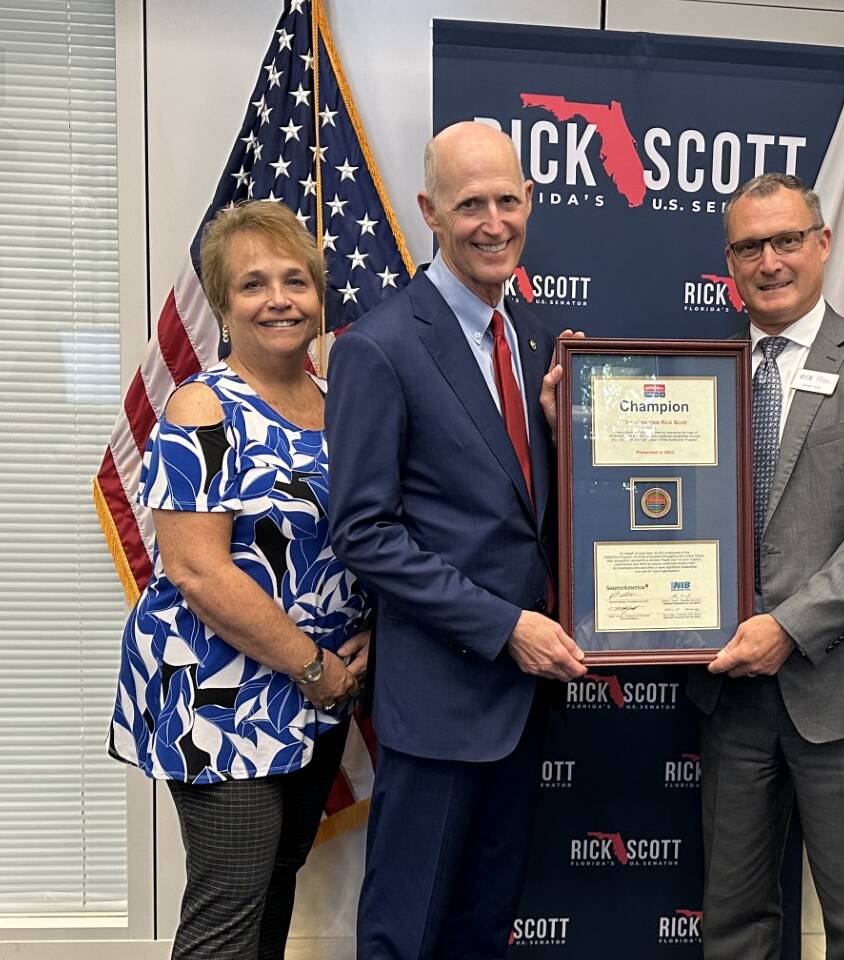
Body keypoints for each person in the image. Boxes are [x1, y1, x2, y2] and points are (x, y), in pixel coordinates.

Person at [325, 121, 586, 959]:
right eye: (469, 203)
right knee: (406, 934)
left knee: (483, 929)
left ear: (531, 204)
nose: (492, 221)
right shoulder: (381, 345)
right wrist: (504, 626)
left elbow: (517, 505)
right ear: (429, 210)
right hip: (439, 702)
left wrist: (557, 434)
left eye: (508, 200)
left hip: (521, 706)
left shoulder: (533, 339)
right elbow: (363, 531)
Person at [686, 172, 844, 960]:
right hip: (731, 696)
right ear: (728, 263)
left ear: (822, 244)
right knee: (733, 923)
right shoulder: (694, 372)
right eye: (749, 246)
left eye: (787, 240)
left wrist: (788, 629)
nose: (770, 261)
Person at [107, 200, 371, 960]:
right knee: (228, 908)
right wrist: (312, 665)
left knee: (274, 881)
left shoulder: (339, 404)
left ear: (321, 296)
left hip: (319, 692)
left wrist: (362, 641)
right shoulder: (202, 407)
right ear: (222, 304)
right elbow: (195, 567)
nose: (280, 300)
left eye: (296, 280)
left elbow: (363, 537)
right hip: (222, 693)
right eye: (254, 284)